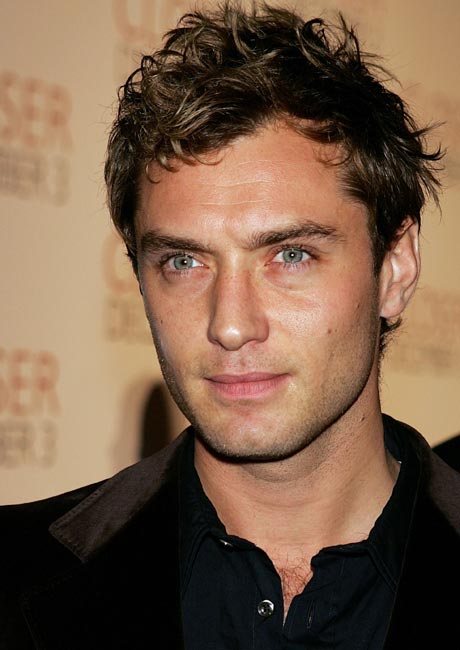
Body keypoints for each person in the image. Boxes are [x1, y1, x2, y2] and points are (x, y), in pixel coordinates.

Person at [2, 2, 460, 648]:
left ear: (395, 267)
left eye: (290, 255)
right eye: (184, 262)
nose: (231, 325)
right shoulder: (13, 576)